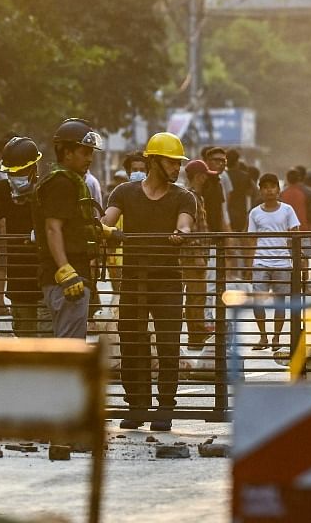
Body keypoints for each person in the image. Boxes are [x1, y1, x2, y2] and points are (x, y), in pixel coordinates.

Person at [103, 131, 194, 431]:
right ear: (153, 161)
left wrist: (181, 235)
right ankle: (137, 406)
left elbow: (185, 224)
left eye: (178, 163)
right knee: (132, 344)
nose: (176, 168)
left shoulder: (184, 197)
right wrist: (106, 231)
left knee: (168, 346)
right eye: (171, 162)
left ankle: (165, 406)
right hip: (133, 281)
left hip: (167, 280)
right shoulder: (125, 193)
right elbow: (106, 221)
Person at [35, 119, 107, 340]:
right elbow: (52, 228)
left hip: (71, 276)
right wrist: (66, 270)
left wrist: (107, 232)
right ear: (67, 153)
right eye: (84, 152)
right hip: (67, 280)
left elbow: (73, 225)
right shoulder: (61, 183)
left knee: (68, 342)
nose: (90, 158)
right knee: (70, 346)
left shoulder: (69, 181)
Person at [0, 137, 48, 337]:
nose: (17, 177)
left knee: (47, 339)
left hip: (46, 277)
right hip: (19, 279)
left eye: (21, 171)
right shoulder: (2, 190)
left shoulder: (47, 189)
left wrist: (41, 231)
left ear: (34, 168)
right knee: (24, 336)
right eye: (12, 172)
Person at [246, 173, 300, 352]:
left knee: (280, 302)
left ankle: (276, 337)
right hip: (261, 262)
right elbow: (252, 239)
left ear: (278, 189)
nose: (269, 190)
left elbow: (295, 234)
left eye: (272, 186)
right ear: (260, 191)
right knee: (257, 301)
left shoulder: (287, 210)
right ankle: (263, 337)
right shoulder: (255, 212)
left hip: (282, 262)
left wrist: (296, 259)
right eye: (265, 187)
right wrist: (249, 263)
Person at [181, 158, 215, 351]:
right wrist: (197, 254)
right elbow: (190, 229)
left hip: (199, 252)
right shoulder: (191, 197)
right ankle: (195, 335)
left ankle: (197, 331)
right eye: (204, 176)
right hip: (194, 254)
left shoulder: (197, 197)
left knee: (198, 294)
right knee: (196, 294)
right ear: (199, 177)